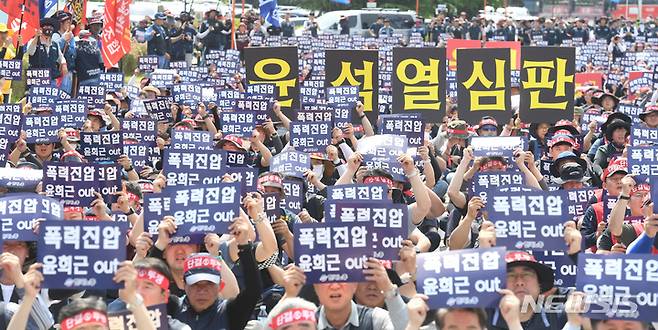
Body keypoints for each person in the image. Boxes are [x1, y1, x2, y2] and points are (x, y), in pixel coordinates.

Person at [27, 17, 68, 87]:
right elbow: (30, 51)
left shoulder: (55, 44)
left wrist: (64, 64)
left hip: (51, 80)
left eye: (50, 27)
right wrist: (36, 38)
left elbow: (60, 57)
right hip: (36, 80)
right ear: (41, 28)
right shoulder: (34, 41)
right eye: (46, 26)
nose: (48, 28)